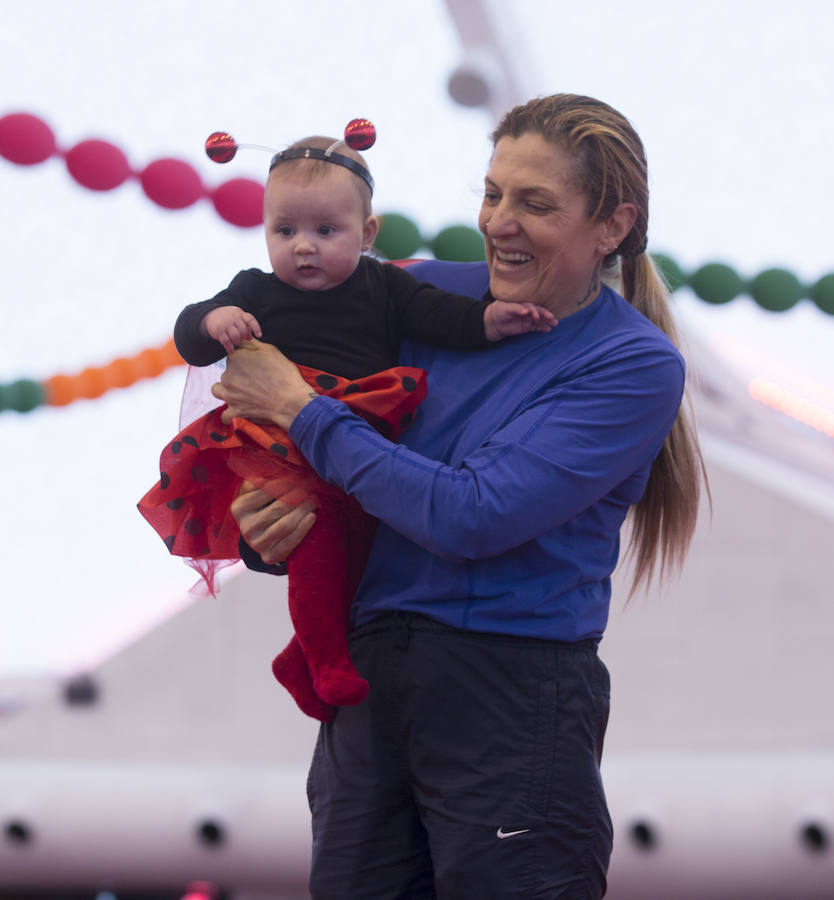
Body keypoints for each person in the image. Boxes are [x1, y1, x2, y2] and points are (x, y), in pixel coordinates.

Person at [213, 94, 706, 899]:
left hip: (510, 697)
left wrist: (300, 411)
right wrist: (266, 524)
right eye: (493, 193)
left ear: (613, 226)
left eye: (535, 203)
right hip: (371, 688)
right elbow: (309, 455)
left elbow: (470, 515)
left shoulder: (633, 364)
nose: (499, 221)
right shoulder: (407, 295)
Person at [137, 133, 554, 722]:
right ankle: (326, 658)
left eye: (325, 232)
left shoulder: (385, 286)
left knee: (362, 547)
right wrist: (215, 318)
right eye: (285, 231)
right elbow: (188, 335)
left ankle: (298, 657)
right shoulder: (257, 289)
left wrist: (493, 319)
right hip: (276, 444)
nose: (303, 247)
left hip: (353, 443)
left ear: (367, 234)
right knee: (316, 530)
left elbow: (446, 319)